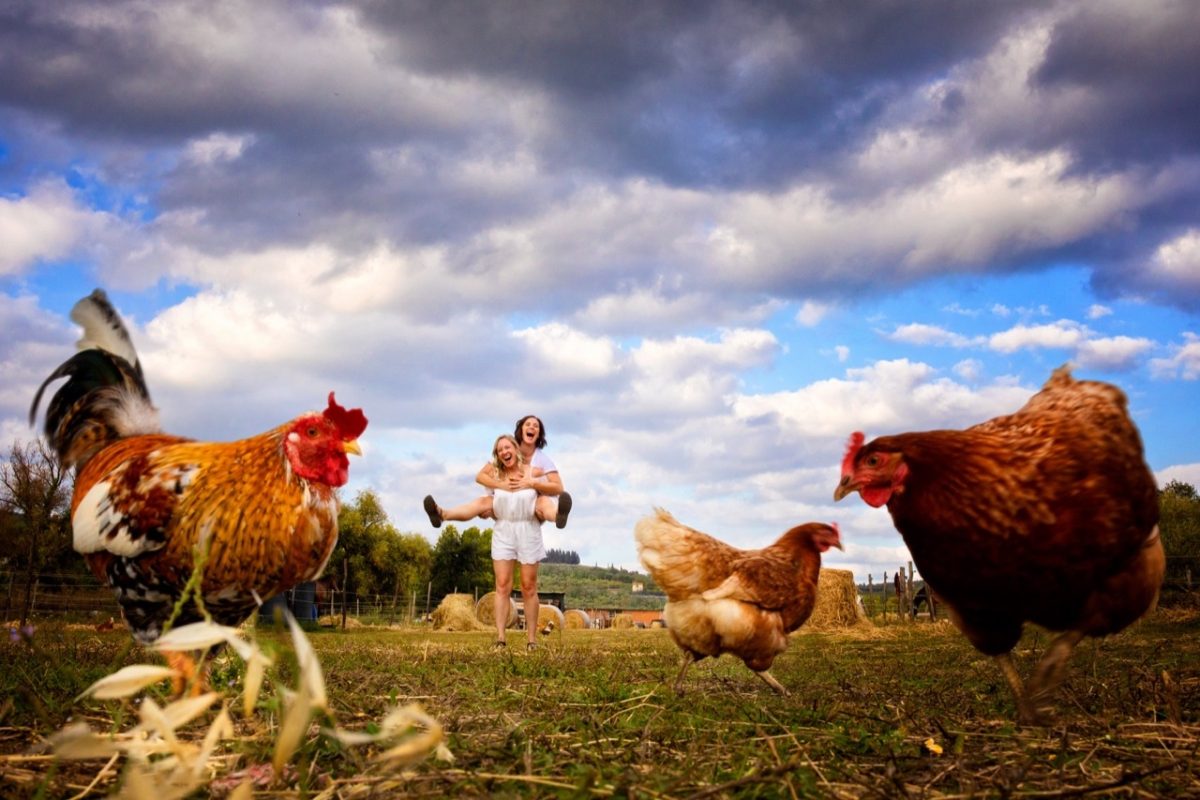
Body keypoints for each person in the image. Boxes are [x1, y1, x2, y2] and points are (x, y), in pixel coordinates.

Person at [422, 414, 572, 529]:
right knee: (482, 502)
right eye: (528, 424)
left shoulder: (542, 460)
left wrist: (532, 484)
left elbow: (559, 488)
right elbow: (480, 476)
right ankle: (442, 514)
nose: (532, 427)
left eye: (536, 426)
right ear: (521, 430)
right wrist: (501, 486)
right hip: (506, 503)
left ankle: (558, 516)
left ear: (539, 435)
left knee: (544, 502)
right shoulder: (507, 449)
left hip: (531, 508)